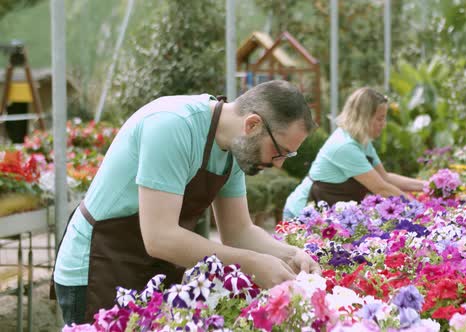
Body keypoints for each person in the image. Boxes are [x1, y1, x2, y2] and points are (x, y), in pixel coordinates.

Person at [51, 80, 320, 325]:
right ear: (252, 125)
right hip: (98, 266)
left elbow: (239, 232)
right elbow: (160, 237)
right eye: (280, 151)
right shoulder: (173, 124)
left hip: (150, 269)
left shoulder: (234, 149)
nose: (280, 164)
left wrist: (289, 254)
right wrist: (252, 263)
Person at [283, 87, 426, 219]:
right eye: (380, 118)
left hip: (325, 214)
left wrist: (428, 186)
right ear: (363, 117)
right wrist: (421, 209)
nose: (384, 124)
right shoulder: (345, 146)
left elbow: (385, 178)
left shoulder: (362, 141)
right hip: (300, 214)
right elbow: (381, 188)